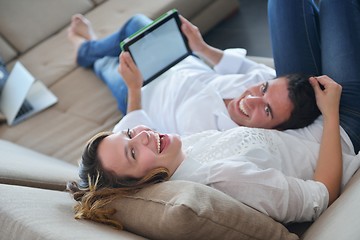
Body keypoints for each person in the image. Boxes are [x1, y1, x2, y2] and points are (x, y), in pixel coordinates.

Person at [67, 0, 360, 228]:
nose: (142, 133)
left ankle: (90, 47)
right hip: (342, 128)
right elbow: (318, 198)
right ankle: (87, 49)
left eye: (131, 135)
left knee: (135, 28)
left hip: (311, 115)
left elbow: (127, 130)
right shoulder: (223, 179)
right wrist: (331, 113)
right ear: (136, 185)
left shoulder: (182, 151)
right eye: (132, 153)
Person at [67, 13, 320, 136]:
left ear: (275, 129)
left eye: (266, 111)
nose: (251, 99)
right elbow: (245, 67)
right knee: (136, 24)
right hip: (180, 62)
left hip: (143, 90)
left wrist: (133, 89)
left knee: (106, 65)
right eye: (263, 89)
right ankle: (92, 46)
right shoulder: (266, 81)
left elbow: (144, 136)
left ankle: (85, 47)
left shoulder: (219, 139)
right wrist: (200, 47)